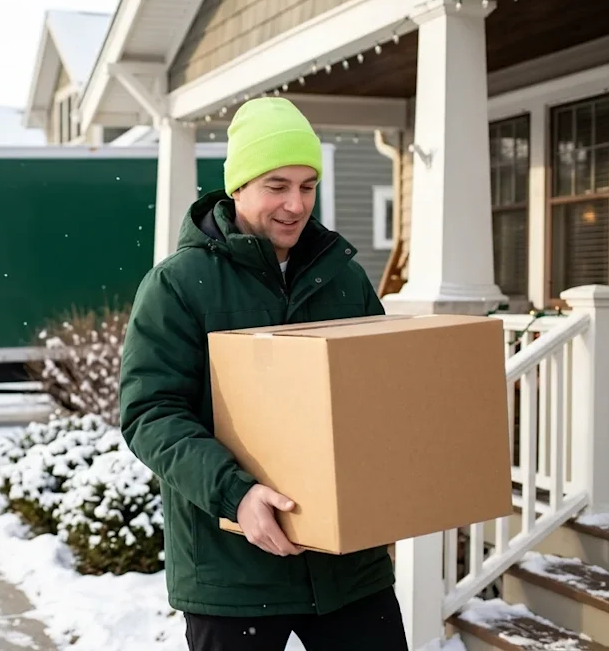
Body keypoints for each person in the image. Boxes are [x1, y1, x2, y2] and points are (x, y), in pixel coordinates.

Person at [118, 97, 408, 651]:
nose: (296, 204)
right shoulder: (177, 285)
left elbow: (377, 398)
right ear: (238, 187)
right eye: (277, 185)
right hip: (233, 574)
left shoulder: (345, 280)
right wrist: (237, 495)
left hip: (349, 569)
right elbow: (150, 413)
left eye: (307, 185)